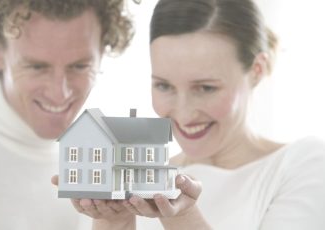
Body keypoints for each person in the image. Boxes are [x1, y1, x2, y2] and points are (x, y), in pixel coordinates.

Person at [61, 0, 325, 229]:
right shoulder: (122, 182)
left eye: (206, 88)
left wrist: (182, 217)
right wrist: (114, 222)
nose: (184, 114)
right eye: (164, 85)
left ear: (256, 70)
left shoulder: (301, 165)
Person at [0, 0, 133, 229]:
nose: (60, 93)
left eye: (79, 66)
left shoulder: (109, 161)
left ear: (102, 52)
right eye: (37, 67)